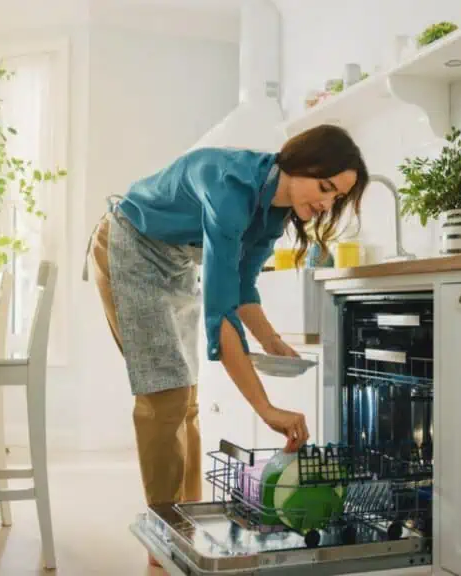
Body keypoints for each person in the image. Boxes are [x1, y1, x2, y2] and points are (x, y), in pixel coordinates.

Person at [83, 124, 368, 561]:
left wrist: (272, 341)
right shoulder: (231, 187)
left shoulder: (275, 212)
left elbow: (243, 287)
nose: (327, 203)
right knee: (165, 395)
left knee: (187, 399)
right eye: (326, 187)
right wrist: (266, 408)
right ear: (299, 163)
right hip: (130, 244)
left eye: (337, 198)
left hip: (174, 261)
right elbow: (221, 316)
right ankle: (162, 542)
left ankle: (184, 524)